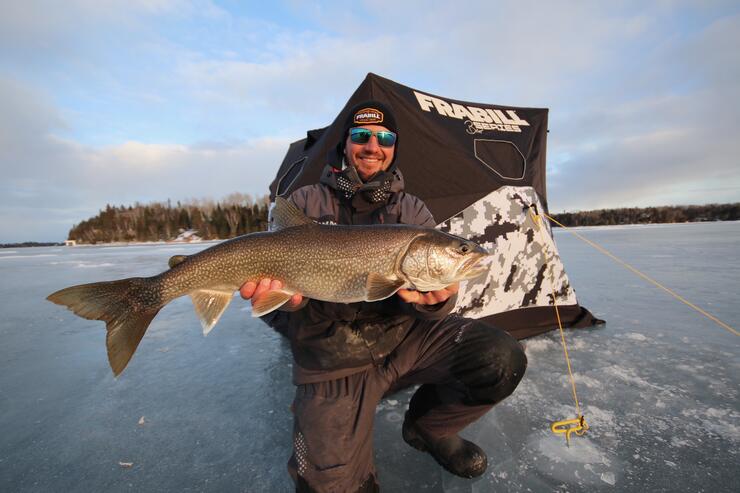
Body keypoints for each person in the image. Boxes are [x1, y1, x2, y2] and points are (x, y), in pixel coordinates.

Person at [240, 101, 527, 492]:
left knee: (500, 357)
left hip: (403, 342)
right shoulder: (304, 202)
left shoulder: (411, 211)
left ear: (393, 147)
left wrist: (438, 301)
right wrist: (287, 306)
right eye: (360, 136)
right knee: (327, 487)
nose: (372, 146)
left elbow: (435, 298)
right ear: (345, 144)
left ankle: (429, 429)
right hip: (330, 358)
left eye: (384, 138)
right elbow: (272, 308)